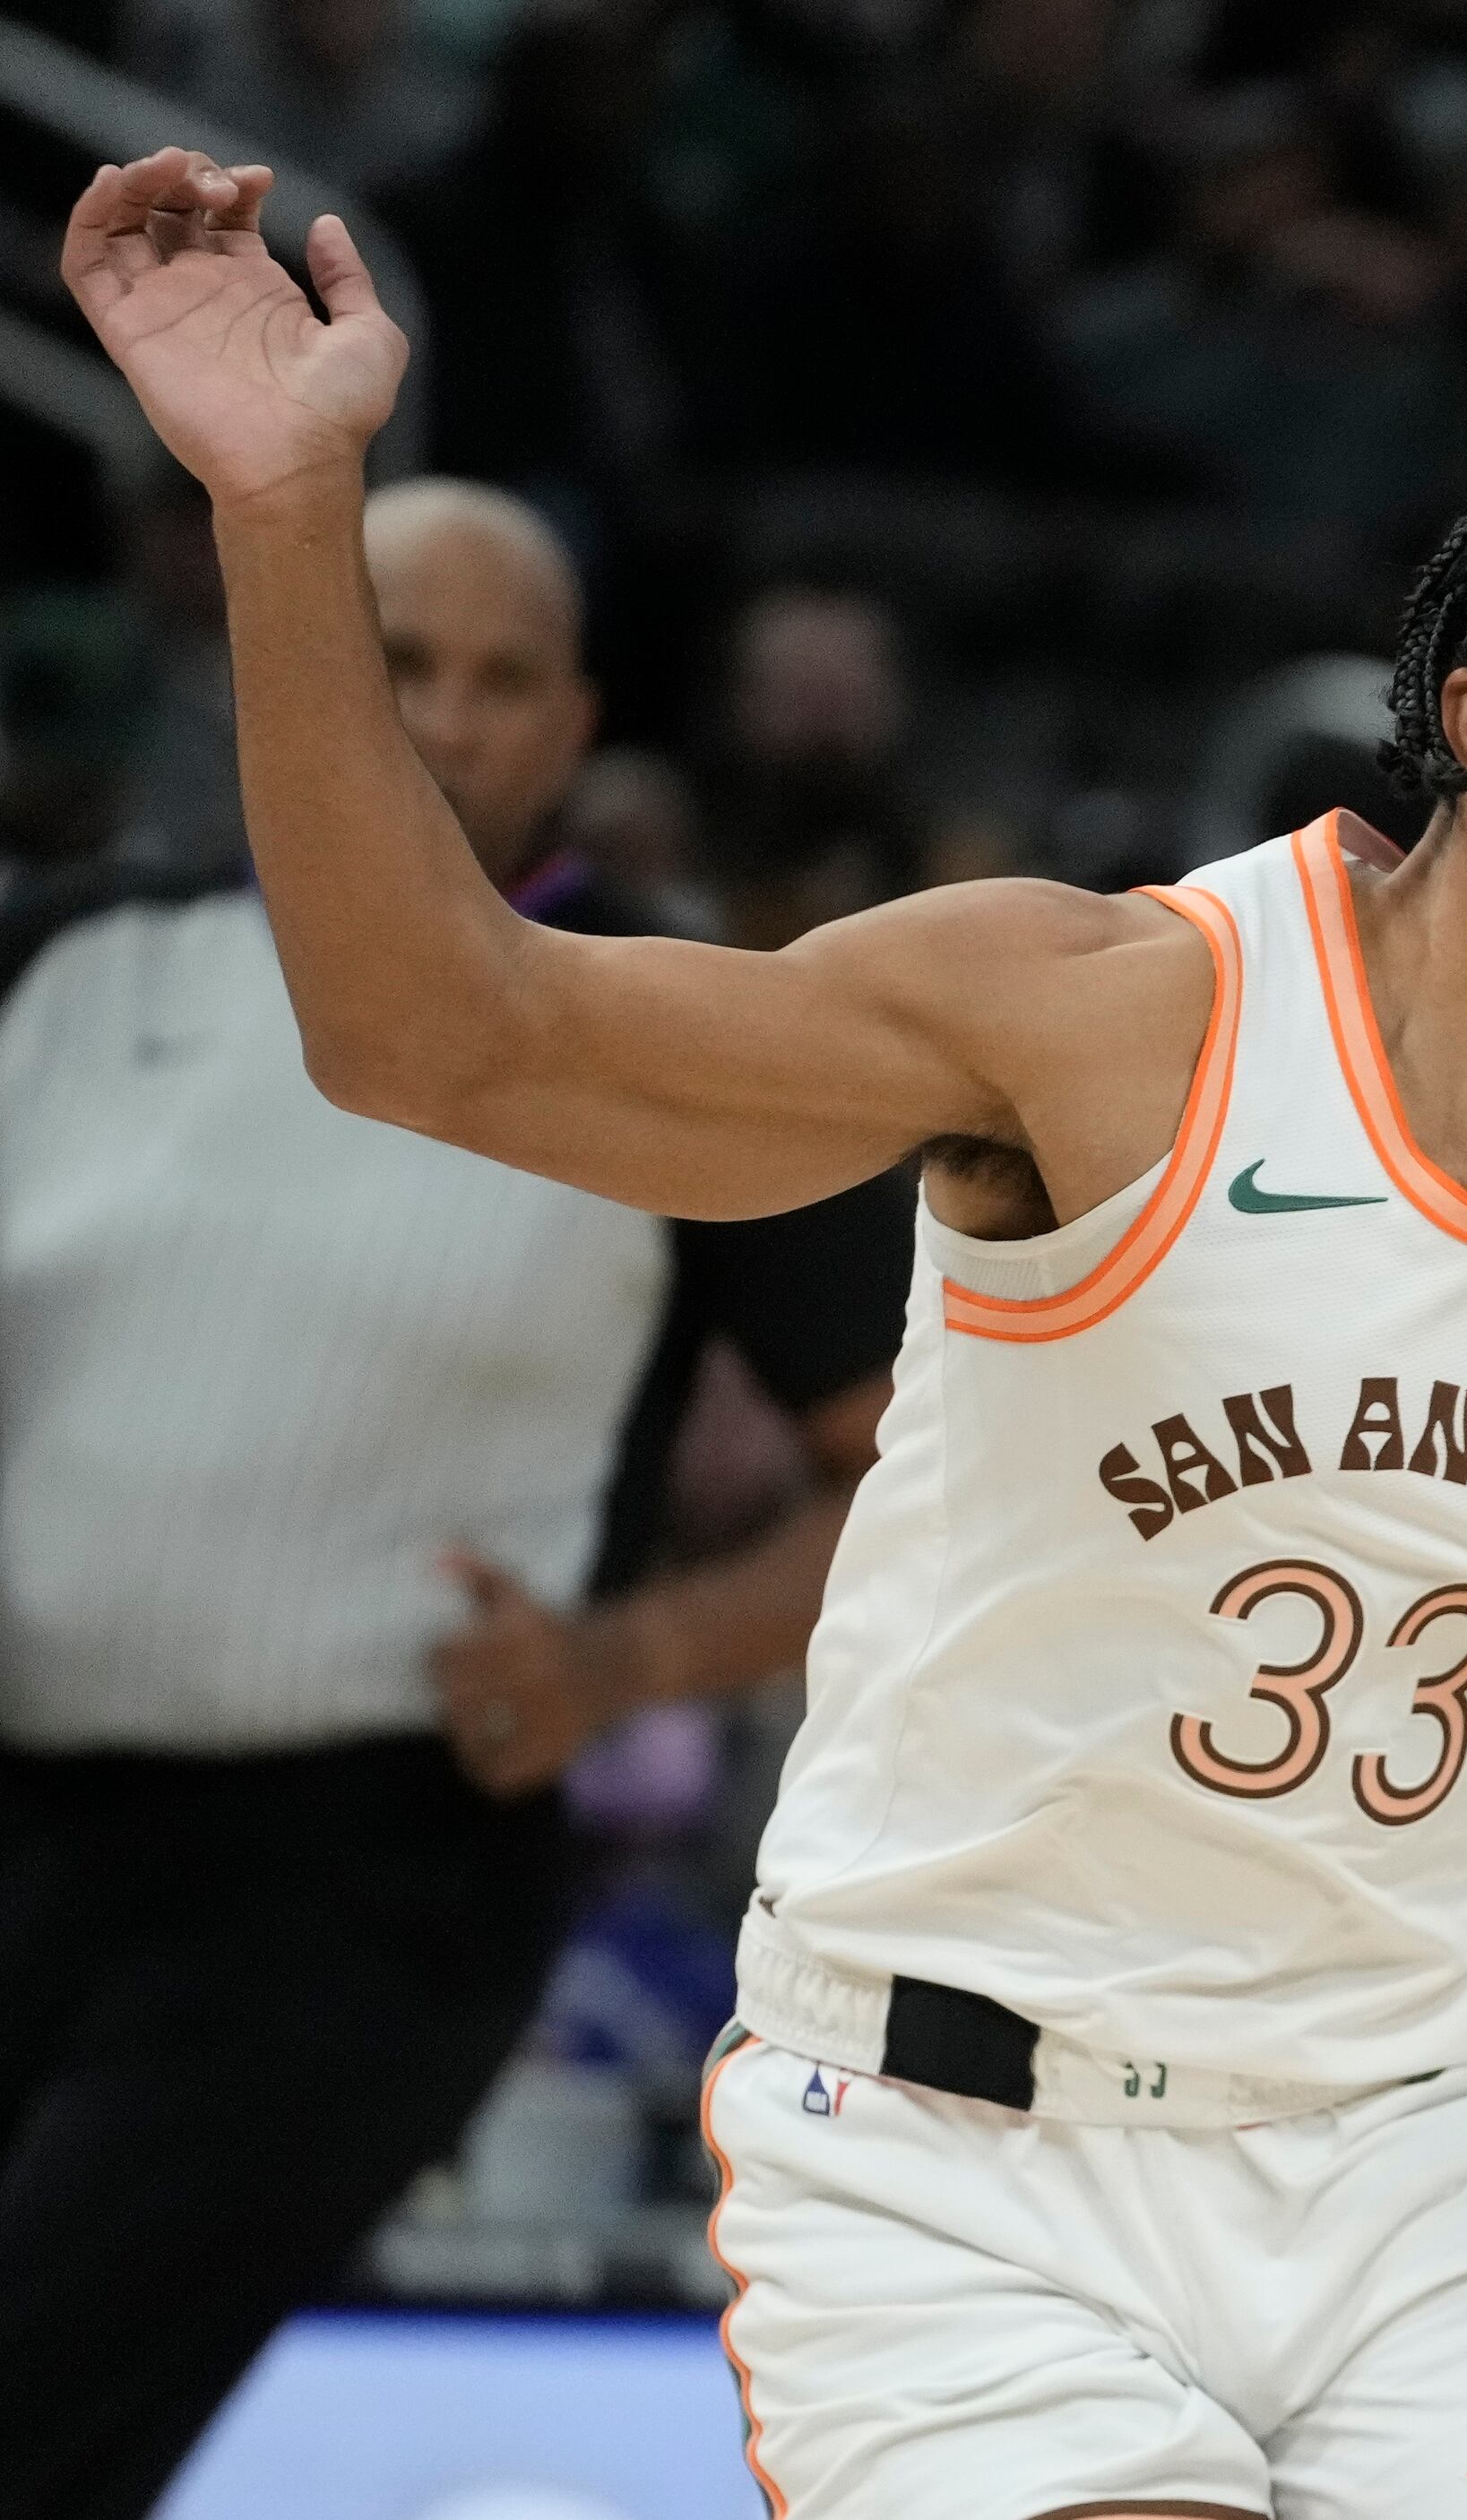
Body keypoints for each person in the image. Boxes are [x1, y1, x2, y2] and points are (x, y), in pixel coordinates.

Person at [68, 148, 1467, 2520]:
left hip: (1446, 2182)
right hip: (964, 2156)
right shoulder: (1112, 1020)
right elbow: (438, 1034)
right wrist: (286, 511)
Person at [0, 473, 903, 2520]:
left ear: (577, 724)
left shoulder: (689, 1022)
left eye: (507, 681)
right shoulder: (64, 962)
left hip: (359, 1876)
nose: (452, 720)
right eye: (399, 662)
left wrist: (627, 1660)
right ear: (286, 672)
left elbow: (926, 1478)